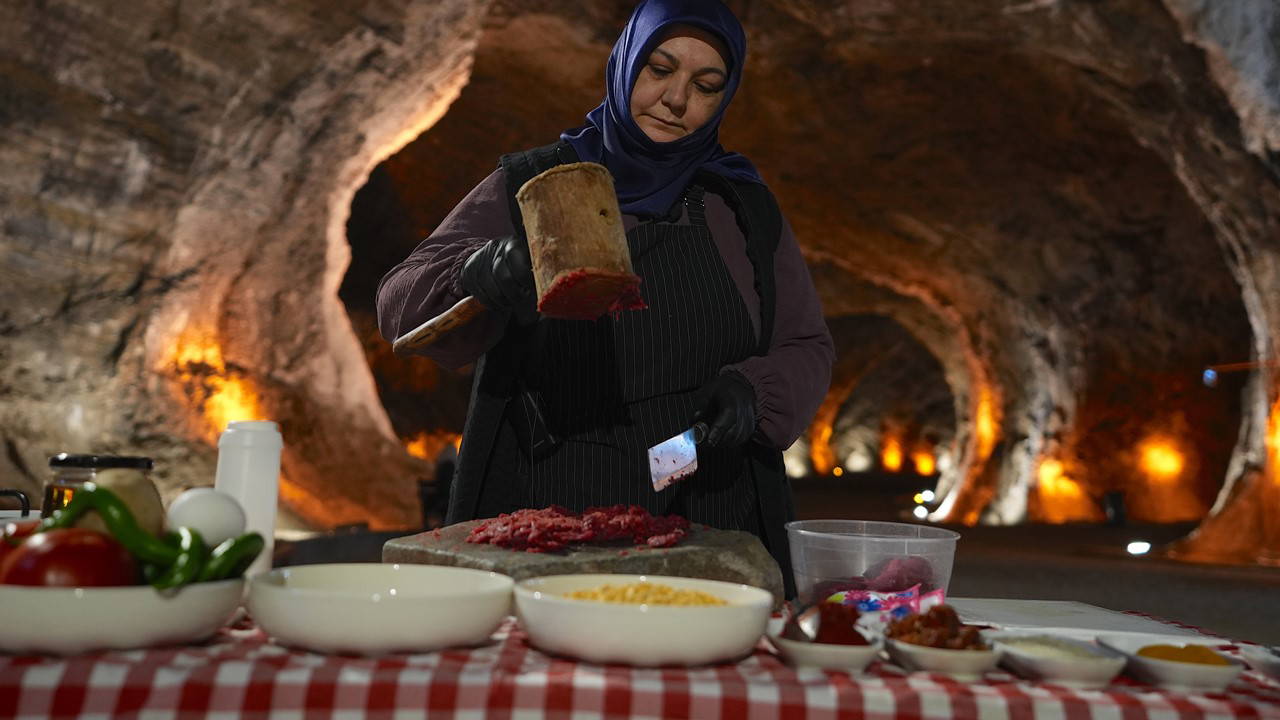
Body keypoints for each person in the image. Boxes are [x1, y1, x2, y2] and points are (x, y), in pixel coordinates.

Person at [376, 0, 833, 596]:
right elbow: (398, 304)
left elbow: (806, 345)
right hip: (554, 506)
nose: (676, 99)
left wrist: (757, 391)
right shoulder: (532, 184)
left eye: (706, 84)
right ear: (625, 65)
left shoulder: (742, 207)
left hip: (708, 502)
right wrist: (479, 271)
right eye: (659, 69)